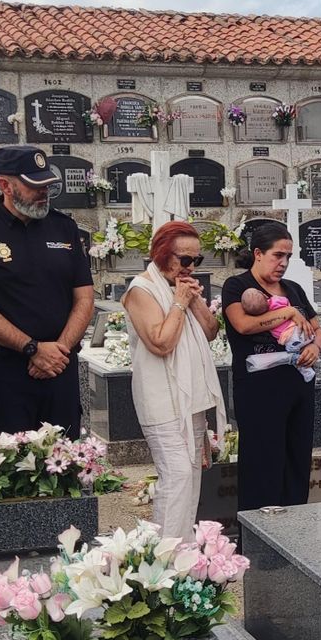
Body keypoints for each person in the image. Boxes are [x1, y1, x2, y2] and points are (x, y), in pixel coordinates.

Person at [0, 145, 94, 434]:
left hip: (59, 365)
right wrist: (32, 349)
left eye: (47, 185)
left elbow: (84, 297)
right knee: (9, 468)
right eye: (34, 186)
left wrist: (59, 351)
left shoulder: (63, 227)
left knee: (64, 462)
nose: (44, 192)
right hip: (5, 370)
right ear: (4, 185)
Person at [122, 220, 226, 538]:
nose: (190, 267)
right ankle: (163, 559)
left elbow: (210, 332)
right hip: (161, 400)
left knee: (192, 477)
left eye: (196, 260)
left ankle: (183, 556)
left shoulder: (179, 288)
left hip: (190, 400)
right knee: (177, 476)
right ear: (163, 254)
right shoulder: (141, 290)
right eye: (184, 259)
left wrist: (192, 301)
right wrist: (180, 302)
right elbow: (161, 342)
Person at [221, 222, 321, 511]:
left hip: (298, 387)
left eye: (288, 256)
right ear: (257, 253)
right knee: (262, 465)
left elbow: (317, 329)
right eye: (278, 255)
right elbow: (243, 325)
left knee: (296, 463)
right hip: (259, 392)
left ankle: (294, 532)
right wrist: (287, 312)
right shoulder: (238, 286)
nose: (284, 263)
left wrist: (315, 346)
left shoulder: (294, 289)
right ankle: (259, 538)